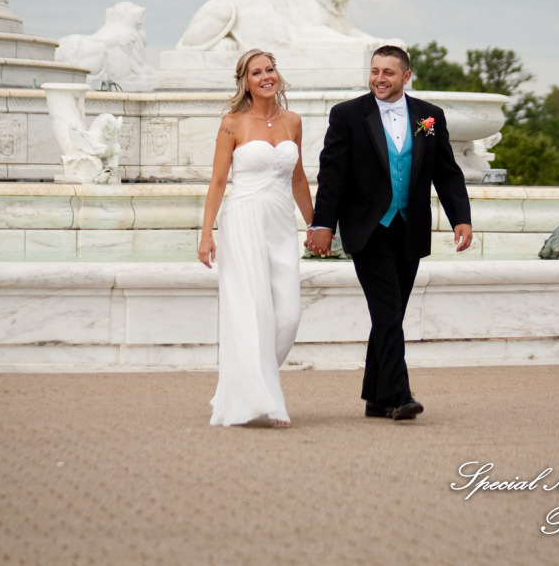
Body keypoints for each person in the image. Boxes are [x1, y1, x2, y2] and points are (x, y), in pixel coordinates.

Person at [306, 45, 472, 420]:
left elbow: (446, 171)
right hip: (368, 229)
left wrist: (460, 216)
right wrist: (322, 224)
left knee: (390, 316)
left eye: (388, 73)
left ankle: (376, 397)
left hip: (410, 228)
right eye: (375, 71)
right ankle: (399, 396)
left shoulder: (429, 117)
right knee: (387, 311)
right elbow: (333, 175)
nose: (379, 78)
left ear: (406, 77)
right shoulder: (348, 115)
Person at [199, 49, 315, 427]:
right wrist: (206, 234)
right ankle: (267, 400)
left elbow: (298, 179)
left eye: (270, 69)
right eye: (256, 72)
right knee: (253, 311)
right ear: (245, 81)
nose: (266, 76)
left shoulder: (294, 121)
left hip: (281, 221)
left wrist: (315, 226)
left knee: (289, 314)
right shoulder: (232, 123)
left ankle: (243, 383)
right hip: (244, 218)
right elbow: (218, 182)